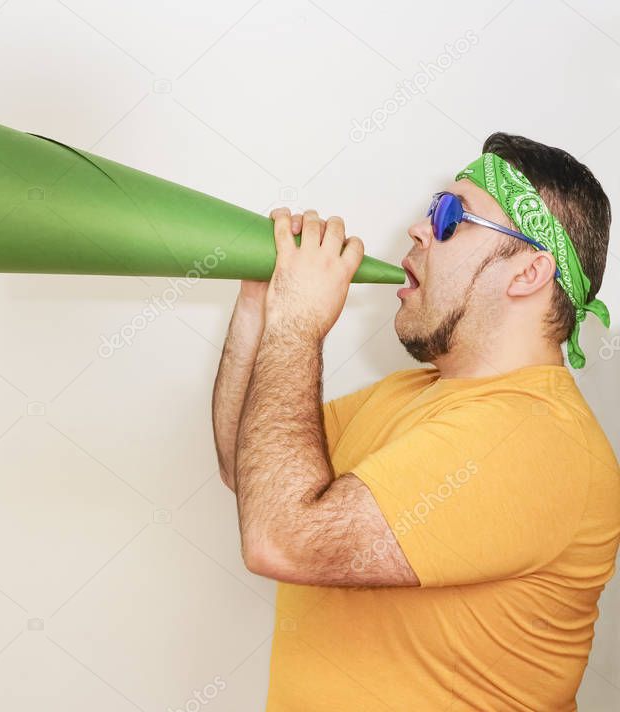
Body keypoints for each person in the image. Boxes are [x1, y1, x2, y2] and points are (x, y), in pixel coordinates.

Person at [211, 132, 619, 710]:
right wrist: (261, 308)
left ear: (528, 272)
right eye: (432, 209)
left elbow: (282, 540)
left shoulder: (530, 434)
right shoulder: (416, 394)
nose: (419, 229)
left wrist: (298, 325)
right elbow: (247, 466)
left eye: (452, 217)